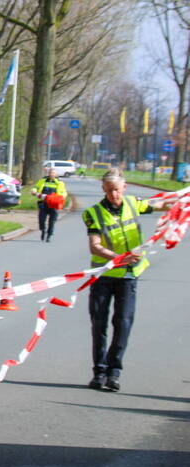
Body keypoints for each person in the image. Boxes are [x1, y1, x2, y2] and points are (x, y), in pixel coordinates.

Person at [82, 168, 173, 392]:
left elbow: (162, 205)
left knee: (123, 323)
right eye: (110, 190)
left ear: (125, 188)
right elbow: (95, 245)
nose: (114, 194)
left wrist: (182, 202)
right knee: (99, 324)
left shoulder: (134, 203)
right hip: (104, 275)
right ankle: (99, 371)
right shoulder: (92, 213)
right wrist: (118, 258)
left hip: (129, 276)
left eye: (118, 190)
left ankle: (114, 372)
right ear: (103, 189)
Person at [31, 167, 68, 242]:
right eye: (50, 173)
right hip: (43, 203)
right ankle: (43, 230)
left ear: (56, 174)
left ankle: (49, 235)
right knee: (41, 219)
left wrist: (62, 197)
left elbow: (64, 192)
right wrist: (34, 191)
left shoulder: (60, 183)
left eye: (53, 173)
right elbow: (36, 187)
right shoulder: (43, 181)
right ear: (48, 173)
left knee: (52, 221)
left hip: (54, 204)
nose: (52, 174)